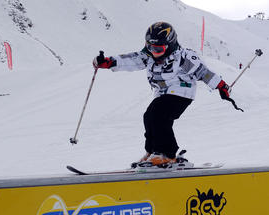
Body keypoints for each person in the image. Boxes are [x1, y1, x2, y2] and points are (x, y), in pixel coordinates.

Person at [93, 22, 230, 167]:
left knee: (158, 114)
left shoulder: (183, 57)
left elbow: (203, 73)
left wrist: (221, 86)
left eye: (158, 49)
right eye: (150, 47)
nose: (153, 52)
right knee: (149, 116)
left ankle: (167, 154)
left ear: (170, 44)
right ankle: (153, 151)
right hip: (162, 93)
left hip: (182, 91)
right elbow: (132, 59)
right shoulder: (149, 55)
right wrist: (109, 62)